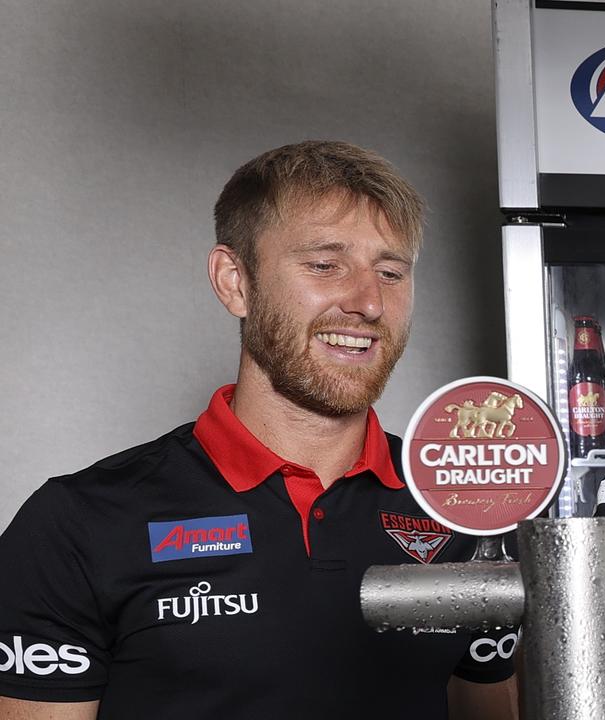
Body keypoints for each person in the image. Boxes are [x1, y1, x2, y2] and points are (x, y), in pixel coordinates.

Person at [0, 141, 519, 719]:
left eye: (391, 272)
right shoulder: (78, 522)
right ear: (234, 281)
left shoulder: (461, 507)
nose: (369, 302)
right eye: (325, 264)